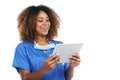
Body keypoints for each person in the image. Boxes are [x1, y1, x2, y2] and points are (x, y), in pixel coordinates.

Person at [12, 4, 81, 80]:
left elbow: (67, 77)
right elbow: (25, 78)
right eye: (40, 20)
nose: (46, 24)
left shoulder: (59, 45)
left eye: (47, 20)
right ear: (30, 24)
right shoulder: (23, 48)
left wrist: (72, 66)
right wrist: (44, 69)